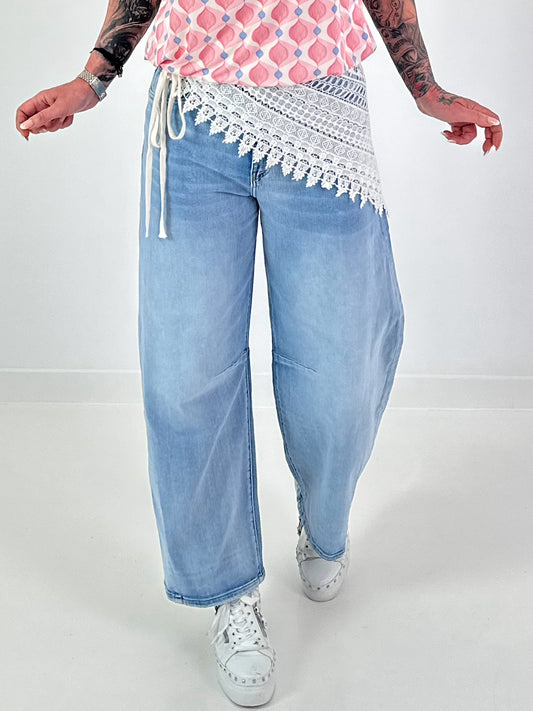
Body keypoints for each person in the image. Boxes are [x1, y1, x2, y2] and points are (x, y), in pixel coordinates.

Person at [15, 0, 502, 707]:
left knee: (342, 370)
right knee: (186, 372)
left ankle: (324, 524)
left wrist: (424, 87)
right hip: (193, 118)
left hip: (321, 102)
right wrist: (95, 77)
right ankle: (228, 593)